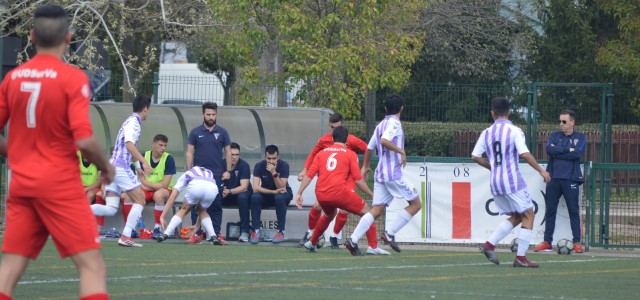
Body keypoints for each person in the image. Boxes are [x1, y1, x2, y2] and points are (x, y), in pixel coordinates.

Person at [0, 5, 115, 299]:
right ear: (68, 37)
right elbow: (85, 141)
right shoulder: (72, 78)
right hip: (59, 186)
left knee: (10, 268)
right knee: (91, 266)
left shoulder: (12, 79)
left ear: (31, 36)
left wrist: (14, 153)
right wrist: (106, 166)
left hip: (22, 185)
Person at [472, 97, 551, 268]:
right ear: (509, 112)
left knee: (517, 216)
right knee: (529, 214)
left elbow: (475, 156)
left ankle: (489, 245)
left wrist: (492, 167)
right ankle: (521, 258)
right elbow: (524, 154)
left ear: (492, 113)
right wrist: (541, 170)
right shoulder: (515, 131)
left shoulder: (486, 132)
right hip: (511, 181)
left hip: (495, 183)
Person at [344, 93, 422, 256]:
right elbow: (384, 141)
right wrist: (401, 151)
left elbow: (370, 147)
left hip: (380, 174)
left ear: (385, 108)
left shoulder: (380, 125)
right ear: (402, 108)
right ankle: (390, 233)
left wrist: (365, 166)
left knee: (376, 209)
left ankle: (353, 239)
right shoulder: (394, 123)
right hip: (392, 174)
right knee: (416, 204)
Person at [297, 126, 390, 255]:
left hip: (321, 194)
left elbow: (309, 175)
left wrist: (299, 192)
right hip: (339, 193)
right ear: (347, 139)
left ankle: (312, 242)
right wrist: (372, 194)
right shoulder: (350, 154)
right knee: (368, 212)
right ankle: (372, 246)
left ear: (332, 138)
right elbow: (358, 180)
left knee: (329, 215)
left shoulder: (321, 153)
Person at [91, 94, 152, 248]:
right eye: (148, 110)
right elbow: (130, 145)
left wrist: (137, 167)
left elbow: (129, 147)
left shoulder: (130, 121)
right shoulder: (134, 123)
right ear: (145, 109)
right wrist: (144, 162)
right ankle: (125, 236)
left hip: (113, 167)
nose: (148, 112)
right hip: (120, 168)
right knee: (140, 200)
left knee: (111, 208)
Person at [535, 109, 586, 253]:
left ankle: (577, 242)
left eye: (564, 121)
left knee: (573, 211)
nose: (561, 124)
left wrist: (559, 151)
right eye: (560, 121)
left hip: (571, 179)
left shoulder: (580, 137)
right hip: (553, 178)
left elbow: (577, 153)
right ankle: (547, 242)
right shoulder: (554, 135)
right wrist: (567, 150)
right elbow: (549, 150)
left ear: (572, 122)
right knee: (550, 211)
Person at [185, 102, 232, 245]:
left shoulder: (223, 132)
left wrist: (228, 171)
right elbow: (189, 152)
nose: (211, 117)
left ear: (216, 115)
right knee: (196, 205)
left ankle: (216, 234)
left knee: (216, 205)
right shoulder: (195, 132)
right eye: (208, 114)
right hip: (199, 175)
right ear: (203, 115)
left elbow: (228, 151)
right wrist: (190, 171)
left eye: (213, 114)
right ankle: (196, 234)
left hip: (216, 176)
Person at [122, 134, 176, 238]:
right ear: (153, 144)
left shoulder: (169, 159)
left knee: (159, 195)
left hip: (163, 190)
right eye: (160, 145)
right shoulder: (143, 157)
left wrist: (146, 185)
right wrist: (147, 186)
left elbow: (165, 184)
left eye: (165, 145)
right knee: (127, 195)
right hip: (147, 189)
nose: (163, 148)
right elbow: (139, 179)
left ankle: (157, 228)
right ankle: (129, 228)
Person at [157, 167, 221, 244]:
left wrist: (162, 216)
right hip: (212, 187)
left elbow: (172, 198)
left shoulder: (186, 174)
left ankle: (166, 233)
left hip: (196, 184)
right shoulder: (208, 171)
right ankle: (213, 236)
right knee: (202, 210)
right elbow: (201, 209)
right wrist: (197, 226)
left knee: (184, 209)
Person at [249, 145, 293, 244]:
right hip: (268, 193)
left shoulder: (284, 165)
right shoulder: (259, 166)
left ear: (278, 157)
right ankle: (255, 231)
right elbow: (255, 188)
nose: (271, 161)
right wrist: (273, 192)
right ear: (265, 157)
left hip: (284, 194)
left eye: (274, 158)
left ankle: (280, 231)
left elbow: (282, 187)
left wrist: (274, 173)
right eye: (269, 158)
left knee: (279, 198)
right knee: (255, 197)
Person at [220, 142, 253, 242]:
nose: (234, 157)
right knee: (212, 197)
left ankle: (245, 232)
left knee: (242, 197)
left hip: (241, 194)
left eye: (237, 154)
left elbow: (244, 187)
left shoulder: (244, 165)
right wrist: (221, 191)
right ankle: (212, 231)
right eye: (232, 154)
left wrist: (229, 191)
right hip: (226, 194)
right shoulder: (221, 164)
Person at [78, 151, 107, 234]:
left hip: (95, 187)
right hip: (80, 187)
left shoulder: (97, 158)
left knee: (89, 194)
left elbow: (99, 182)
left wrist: (86, 189)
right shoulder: (77, 155)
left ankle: (87, 225)